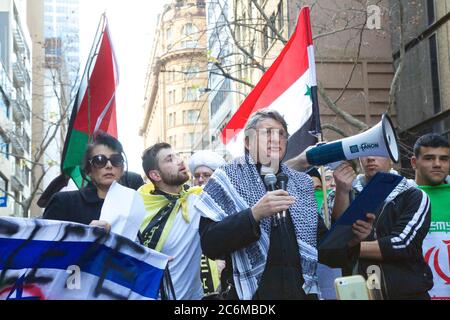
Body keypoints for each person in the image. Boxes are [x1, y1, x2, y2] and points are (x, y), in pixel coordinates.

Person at [194, 109, 374, 300]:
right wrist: (254, 215)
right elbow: (210, 244)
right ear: (247, 141)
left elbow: (322, 249)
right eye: (267, 132)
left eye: (282, 134)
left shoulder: (301, 183)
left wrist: (352, 240)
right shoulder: (226, 178)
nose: (276, 138)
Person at [330, 155, 433, 299]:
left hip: (406, 294)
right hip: (357, 294)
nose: (371, 158)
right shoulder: (338, 194)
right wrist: (342, 191)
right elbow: (333, 239)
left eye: (378, 151)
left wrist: (348, 249)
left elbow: (402, 244)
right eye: (365, 152)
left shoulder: (413, 195)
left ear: (392, 158)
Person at [138, 143, 203, 300]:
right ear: (156, 175)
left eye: (177, 156)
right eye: (170, 159)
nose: (180, 161)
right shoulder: (140, 209)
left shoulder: (198, 200)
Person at [43, 132, 128, 232]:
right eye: (99, 160)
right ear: (88, 170)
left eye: (116, 160)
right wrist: (86, 234)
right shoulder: (63, 202)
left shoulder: (131, 206)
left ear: (122, 168)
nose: (109, 165)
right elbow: (42, 244)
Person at [410, 133, 450, 299]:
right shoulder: (398, 198)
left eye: (444, 159)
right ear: (414, 162)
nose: (437, 164)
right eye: (429, 158)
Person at [188, 150, 227, 296]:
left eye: (206, 175)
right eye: (197, 176)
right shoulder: (187, 202)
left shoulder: (227, 200)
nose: (200, 179)